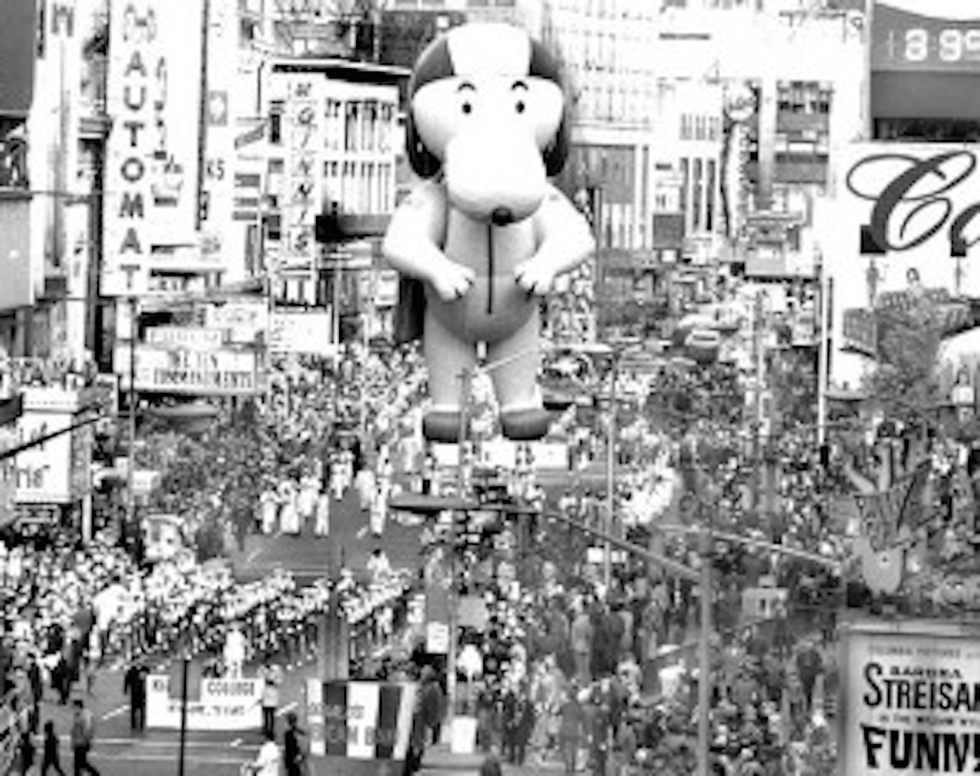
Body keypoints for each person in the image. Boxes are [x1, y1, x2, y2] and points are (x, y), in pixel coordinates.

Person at [70, 698, 100, 776]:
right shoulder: (79, 715)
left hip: (81, 743)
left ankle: (96, 774)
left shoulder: (84, 716)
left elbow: (87, 729)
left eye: (74, 707)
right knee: (78, 764)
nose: (73, 709)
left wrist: (87, 741)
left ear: (78, 706)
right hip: (78, 742)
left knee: (81, 764)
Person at [123, 660, 149, 731]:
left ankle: (141, 725)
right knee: (133, 709)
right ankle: (133, 724)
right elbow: (127, 680)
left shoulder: (145, 669)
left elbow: (150, 677)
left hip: (142, 692)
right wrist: (125, 689)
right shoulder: (131, 671)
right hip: (134, 692)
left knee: (142, 709)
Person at [283, 711, 307, 776]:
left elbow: (288, 749)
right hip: (297, 759)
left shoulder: (288, 734)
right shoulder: (300, 732)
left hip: (292, 760)